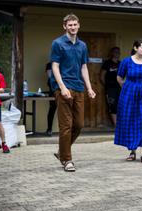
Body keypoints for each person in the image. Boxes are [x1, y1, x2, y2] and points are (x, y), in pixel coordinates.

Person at [50, 13, 96, 172]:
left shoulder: (82, 45)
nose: (73, 27)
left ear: (78, 25)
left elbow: (84, 67)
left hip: (78, 87)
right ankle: (67, 160)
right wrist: (62, 87)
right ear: (64, 26)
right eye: (69, 25)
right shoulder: (57, 43)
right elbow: (54, 66)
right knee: (66, 125)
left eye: (75, 24)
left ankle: (61, 152)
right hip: (64, 87)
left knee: (79, 124)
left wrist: (89, 88)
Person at [114, 39, 142, 164]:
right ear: (135, 48)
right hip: (129, 94)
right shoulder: (126, 62)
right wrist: (127, 88)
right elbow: (119, 77)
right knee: (130, 121)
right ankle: (132, 151)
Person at [100, 47, 120, 127]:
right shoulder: (107, 63)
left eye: (118, 52)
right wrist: (106, 86)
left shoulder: (121, 63)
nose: (117, 53)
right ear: (112, 53)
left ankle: (120, 124)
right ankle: (116, 125)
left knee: (120, 105)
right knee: (112, 105)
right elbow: (102, 76)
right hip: (110, 88)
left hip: (120, 88)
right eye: (115, 52)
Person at [45, 62, 57, 136]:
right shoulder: (49, 65)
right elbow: (50, 76)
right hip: (53, 90)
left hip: (65, 89)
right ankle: (49, 129)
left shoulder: (64, 64)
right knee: (52, 109)